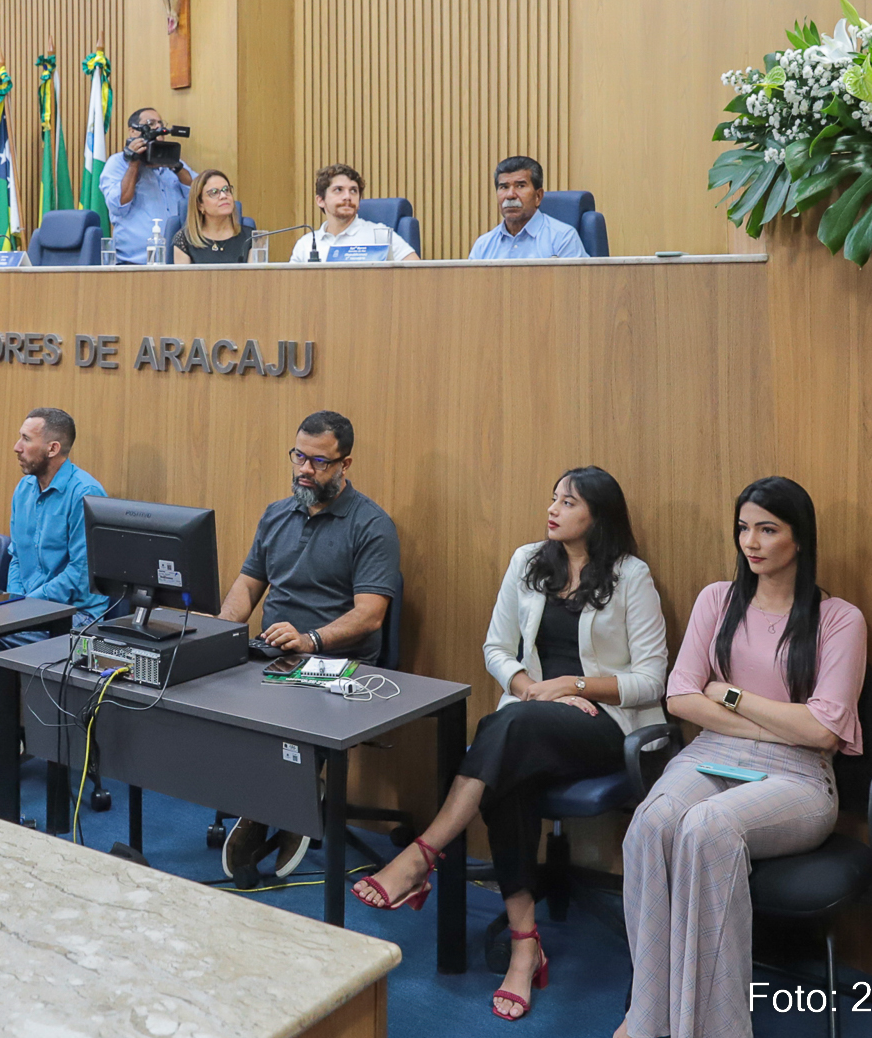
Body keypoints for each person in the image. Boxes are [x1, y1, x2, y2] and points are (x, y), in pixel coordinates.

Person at [350, 468, 667, 1022]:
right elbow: (496, 648)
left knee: (503, 732)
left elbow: (653, 678)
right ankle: (525, 948)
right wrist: (527, 689)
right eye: (553, 498)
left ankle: (423, 854)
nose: (554, 509)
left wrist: (571, 686)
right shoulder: (527, 562)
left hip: (606, 723)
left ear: (599, 515)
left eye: (569, 502)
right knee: (507, 771)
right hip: (532, 718)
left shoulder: (629, 576)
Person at [618, 477, 867, 1038]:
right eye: (743, 528)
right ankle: (647, 1019)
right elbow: (680, 696)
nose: (750, 542)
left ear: (799, 539)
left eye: (767, 529)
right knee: (652, 822)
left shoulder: (839, 620)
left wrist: (728, 694)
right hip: (714, 754)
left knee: (707, 827)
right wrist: (786, 722)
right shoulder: (717, 600)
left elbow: (824, 733)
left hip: (800, 779)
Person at [213, 410, 401, 881]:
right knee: (212, 694)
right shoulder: (277, 515)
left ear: (345, 464)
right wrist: (217, 632)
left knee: (290, 707)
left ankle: (284, 809)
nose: (304, 469)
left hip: (341, 664)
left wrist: (310, 639)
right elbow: (247, 588)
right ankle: (274, 799)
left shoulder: (371, 525)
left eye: (318, 461)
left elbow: (371, 614)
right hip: (276, 655)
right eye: (299, 456)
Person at [0, 408, 106, 796]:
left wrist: (26, 606)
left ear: (52, 447)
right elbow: (16, 556)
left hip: (76, 617)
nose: (16, 447)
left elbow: (81, 575)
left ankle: (2, 739)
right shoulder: (24, 489)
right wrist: (14, 602)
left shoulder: (86, 493)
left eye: (25, 440)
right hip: (29, 608)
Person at [99, 108, 193, 263]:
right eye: (150, 123)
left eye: (160, 123)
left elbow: (197, 194)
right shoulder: (117, 163)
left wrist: (175, 166)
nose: (157, 127)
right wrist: (134, 165)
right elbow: (118, 205)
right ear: (133, 131)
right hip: (133, 262)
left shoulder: (174, 163)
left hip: (176, 259)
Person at [288, 163, 418, 262]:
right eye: (338, 190)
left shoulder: (380, 235)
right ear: (320, 200)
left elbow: (417, 273)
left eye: (353, 191)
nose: (347, 197)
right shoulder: (306, 244)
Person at [468, 156, 588, 260]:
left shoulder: (563, 238)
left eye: (520, 186)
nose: (510, 195)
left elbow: (577, 285)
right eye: (504, 187)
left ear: (538, 196)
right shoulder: (483, 246)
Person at [172, 168, 257, 264]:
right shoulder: (184, 240)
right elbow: (182, 279)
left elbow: (255, 278)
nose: (223, 196)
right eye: (214, 192)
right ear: (200, 204)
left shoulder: (251, 238)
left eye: (226, 190)